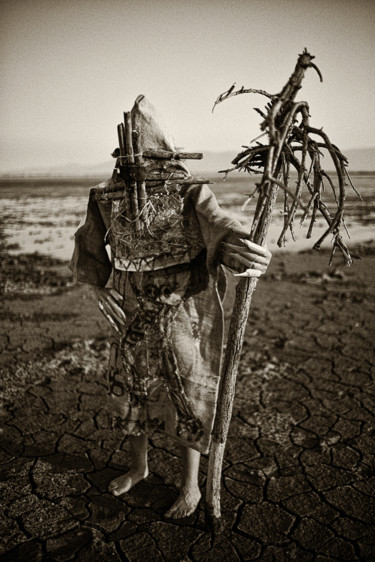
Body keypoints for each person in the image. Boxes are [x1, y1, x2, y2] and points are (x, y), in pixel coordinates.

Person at [70, 95, 271, 519]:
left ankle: (190, 485)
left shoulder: (190, 191)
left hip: (186, 306)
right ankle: (139, 468)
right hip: (131, 306)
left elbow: (220, 224)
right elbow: (89, 243)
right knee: (133, 386)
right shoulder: (106, 195)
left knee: (188, 387)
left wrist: (244, 250)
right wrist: (98, 286)